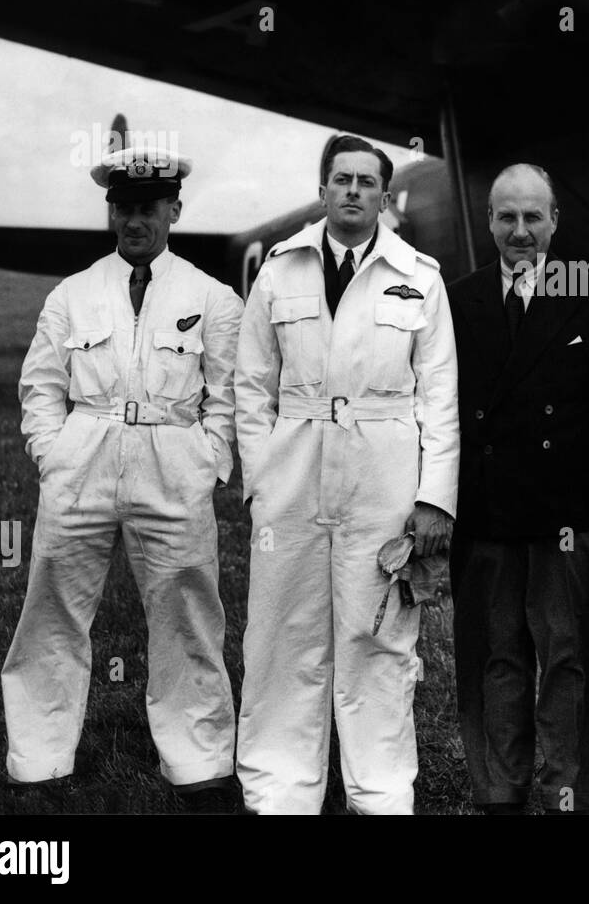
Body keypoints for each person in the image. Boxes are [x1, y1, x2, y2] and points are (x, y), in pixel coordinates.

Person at [4, 145, 241, 804]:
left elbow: (233, 394)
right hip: (82, 459)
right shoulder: (72, 293)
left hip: (172, 461)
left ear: (174, 210)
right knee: (52, 607)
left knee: (187, 608)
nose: (137, 220)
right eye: (125, 208)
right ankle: (38, 763)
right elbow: (41, 388)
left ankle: (197, 761)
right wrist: (54, 454)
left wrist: (208, 461)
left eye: (149, 208)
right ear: (111, 213)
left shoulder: (211, 297)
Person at [234, 134, 459, 815]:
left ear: (385, 197)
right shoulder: (280, 270)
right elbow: (251, 385)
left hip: (382, 474)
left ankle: (381, 786)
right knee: (283, 629)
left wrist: (433, 497)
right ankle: (281, 783)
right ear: (324, 189)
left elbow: (439, 395)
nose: (354, 191)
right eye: (342, 179)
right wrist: (259, 479)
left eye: (368, 181)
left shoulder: (419, 274)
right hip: (295, 471)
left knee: (379, 631)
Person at [447, 164, 589, 815]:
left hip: (566, 509)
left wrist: (563, 469)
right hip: (487, 509)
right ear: (489, 220)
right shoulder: (459, 298)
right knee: (497, 655)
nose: (520, 231)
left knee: (570, 654)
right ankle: (500, 789)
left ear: (555, 220)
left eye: (532, 217)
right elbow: (450, 405)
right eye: (506, 217)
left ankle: (566, 786)